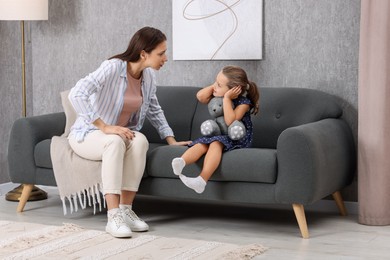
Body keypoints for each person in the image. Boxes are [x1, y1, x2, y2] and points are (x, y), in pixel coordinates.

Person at [68, 26, 190, 238]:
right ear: (144, 53)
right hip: (88, 134)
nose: (165, 58)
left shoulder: (149, 77)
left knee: (140, 140)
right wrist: (105, 127)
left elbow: (154, 109)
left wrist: (171, 140)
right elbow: (76, 94)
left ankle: (125, 210)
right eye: (161, 53)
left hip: (118, 134)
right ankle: (112, 216)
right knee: (114, 141)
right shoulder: (113, 67)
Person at [171, 65, 260, 194]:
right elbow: (200, 96)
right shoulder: (217, 95)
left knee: (215, 143)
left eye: (219, 85)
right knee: (202, 142)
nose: (214, 87)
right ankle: (182, 162)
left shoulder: (244, 103)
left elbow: (230, 121)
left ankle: (202, 180)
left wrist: (227, 99)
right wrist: (216, 84)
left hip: (237, 139)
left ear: (234, 90)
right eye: (215, 82)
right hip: (219, 134)